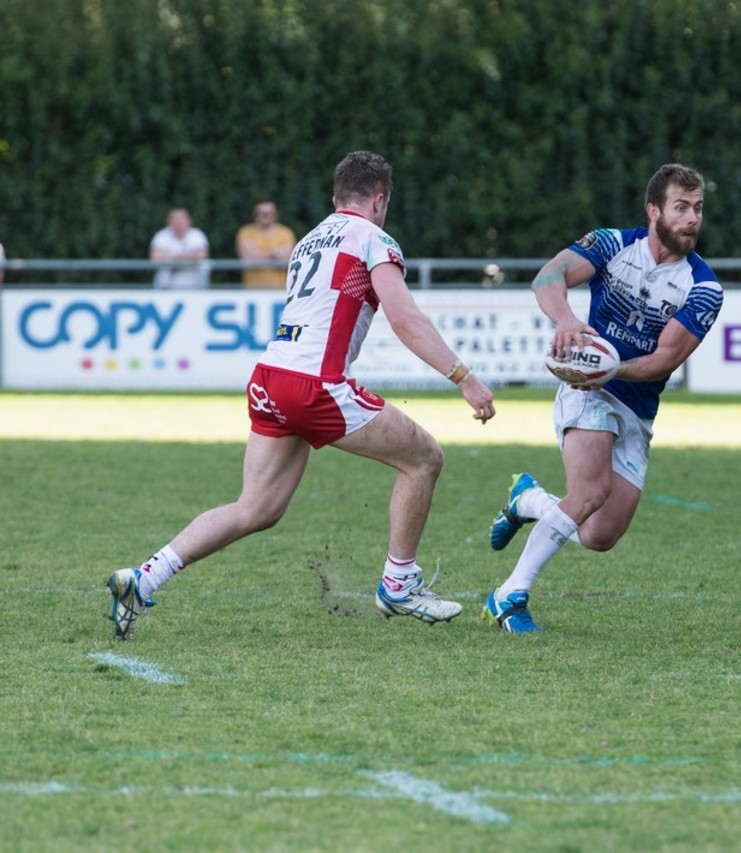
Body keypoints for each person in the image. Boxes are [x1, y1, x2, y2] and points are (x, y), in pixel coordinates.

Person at [106, 151, 497, 641]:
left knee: (256, 508)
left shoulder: (309, 239)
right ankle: (399, 583)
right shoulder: (373, 239)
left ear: (336, 199)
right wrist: (463, 376)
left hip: (271, 377)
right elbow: (405, 318)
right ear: (379, 200)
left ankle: (143, 578)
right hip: (316, 384)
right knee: (423, 459)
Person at [480, 163, 723, 633]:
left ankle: (529, 500)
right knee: (590, 493)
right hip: (585, 391)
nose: (692, 218)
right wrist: (568, 322)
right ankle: (509, 595)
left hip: (635, 405)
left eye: (697, 208)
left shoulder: (704, 288)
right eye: (681, 207)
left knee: (598, 534)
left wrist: (610, 370)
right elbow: (548, 278)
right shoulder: (613, 245)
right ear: (653, 210)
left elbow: (665, 359)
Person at [236, 200, 297, 289]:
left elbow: (288, 259)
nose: (265, 216)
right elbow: (247, 259)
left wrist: (257, 255)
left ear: (275, 215)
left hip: (280, 290)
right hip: (252, 290)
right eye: (261, 213)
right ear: (255, 215)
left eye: (269, 213)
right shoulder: (246, 232)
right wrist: (274, 255)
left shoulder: (285, 233)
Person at [150, 207, 211, 289]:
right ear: (169, 222)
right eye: (175, 219)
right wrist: (185, 257)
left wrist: (173, 258)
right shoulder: (162, 236)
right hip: (166, 288)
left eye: (181, 219)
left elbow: (201, 255)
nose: (178, 223)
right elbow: (156, 256)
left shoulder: (197, 235)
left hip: (194, 287)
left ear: (189, 221)